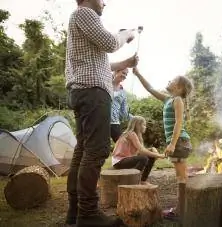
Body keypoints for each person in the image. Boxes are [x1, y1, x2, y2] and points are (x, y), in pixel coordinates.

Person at [65, 0, 137, 226]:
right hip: (93, 93)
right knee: (96, 151)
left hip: (84, 91)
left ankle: (76, 211)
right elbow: (109, 42)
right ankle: (88, 214)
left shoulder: (80, 20)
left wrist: (125, 62)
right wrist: (125, 34)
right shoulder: (85, 13)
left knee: (84, 150)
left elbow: (100, 64)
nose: (104, 3)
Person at [132, 67, 193, 219]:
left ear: (178, 88)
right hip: (179, 142)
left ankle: (180, 211)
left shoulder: (178, 100)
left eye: (172, 80)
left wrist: (172, 144)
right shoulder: (168, 99)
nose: (168, 81)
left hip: (180, 142)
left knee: (181, 178)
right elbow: (150, 88)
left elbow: (179, 123)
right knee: (181, 177)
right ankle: (182, 209)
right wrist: (138, 73)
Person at [112, 116, 165, 183]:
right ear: (138, 125)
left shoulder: (136, 135)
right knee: (144, 158)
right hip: (119, 161)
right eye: (144, 125)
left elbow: (141, 151)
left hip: (125, 159)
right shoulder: (131, 134)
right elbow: (142, 151)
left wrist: (152, 149)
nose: (145, 127)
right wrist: (159, 155)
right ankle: (133, 180)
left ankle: (143, 180)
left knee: (149, 157)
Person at [110, 68, 132, 142]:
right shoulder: (105, 83)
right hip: (100, 120)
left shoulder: (123, 92)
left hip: (114, 123)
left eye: (126, 74)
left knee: (122, 144)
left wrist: (133, 118)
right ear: (116, 71)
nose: (125, 76)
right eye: (123, 73)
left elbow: (124, 112)